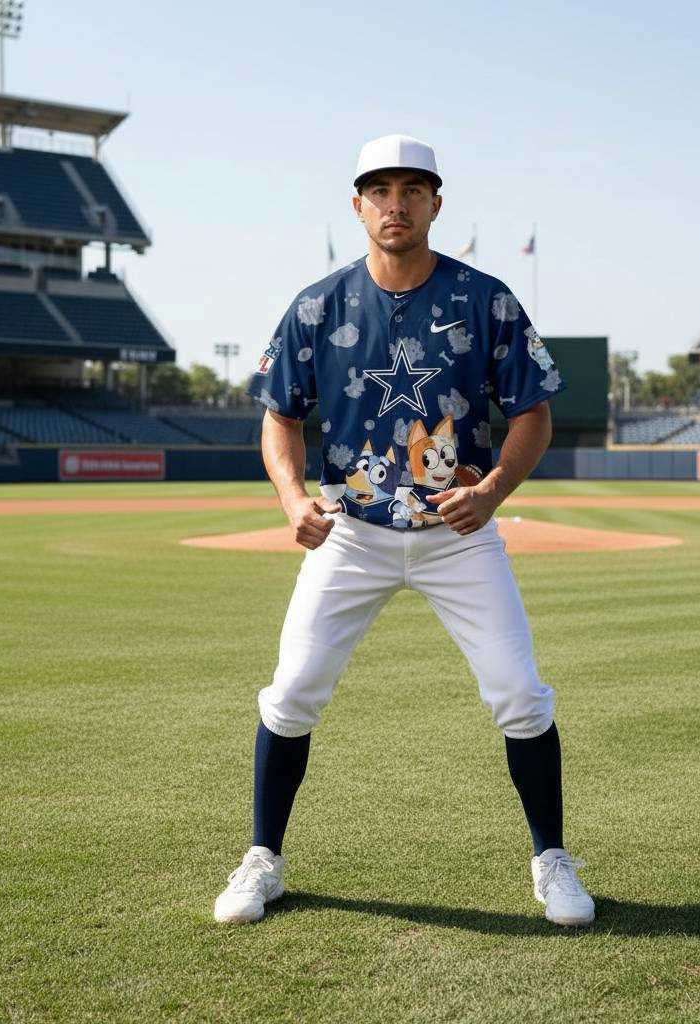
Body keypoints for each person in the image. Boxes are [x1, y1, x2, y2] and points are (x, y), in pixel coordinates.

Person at [214, 134, 594, 927]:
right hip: (352, 531)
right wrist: (292, 501)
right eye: (379, 190)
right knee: (290, 695)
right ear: (358, 206)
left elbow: (534, 413)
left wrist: (492, 492)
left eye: (412, 189)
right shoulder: (317, 305)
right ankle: (263, 858)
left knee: (521, 696)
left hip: (459, 531)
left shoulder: (484, 298)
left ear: (435, 204)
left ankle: (551, 859)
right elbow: (279, 418)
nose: (396, 203)